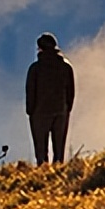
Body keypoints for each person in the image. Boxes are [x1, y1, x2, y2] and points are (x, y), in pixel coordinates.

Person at [25, 32, 74, 164]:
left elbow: (30, 92)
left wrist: (30, 111)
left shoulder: (35, 69)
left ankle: (43, 171)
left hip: (39, 113)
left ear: (40, 49)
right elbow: (71, 92)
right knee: (59, 150)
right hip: (61, 111)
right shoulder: (66, 67)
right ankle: (58, 170)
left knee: (41, 151)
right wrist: (67, 108)